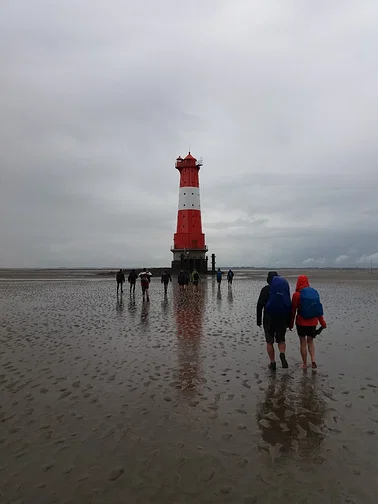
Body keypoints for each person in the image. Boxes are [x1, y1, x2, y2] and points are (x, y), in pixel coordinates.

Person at [290, 275, 327, 370]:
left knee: (303, 342)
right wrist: (322, 323)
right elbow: (317, 310)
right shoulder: (313, 293)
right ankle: (313, 359)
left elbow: (293, 311)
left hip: (301, 323)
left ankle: (305, 364)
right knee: (310, 342)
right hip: (312, 322)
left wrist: (290, 324)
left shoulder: (296, 295)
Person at [257, 271, 291, 370]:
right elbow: (288, 304)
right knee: (281, 339)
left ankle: (272, 363)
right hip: (282, 317)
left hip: (269, 318)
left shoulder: (265, 289)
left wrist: (258, 319)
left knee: (269, 341)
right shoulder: (284, 290)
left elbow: (259, 305)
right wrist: (288, 321)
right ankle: (282, 354)